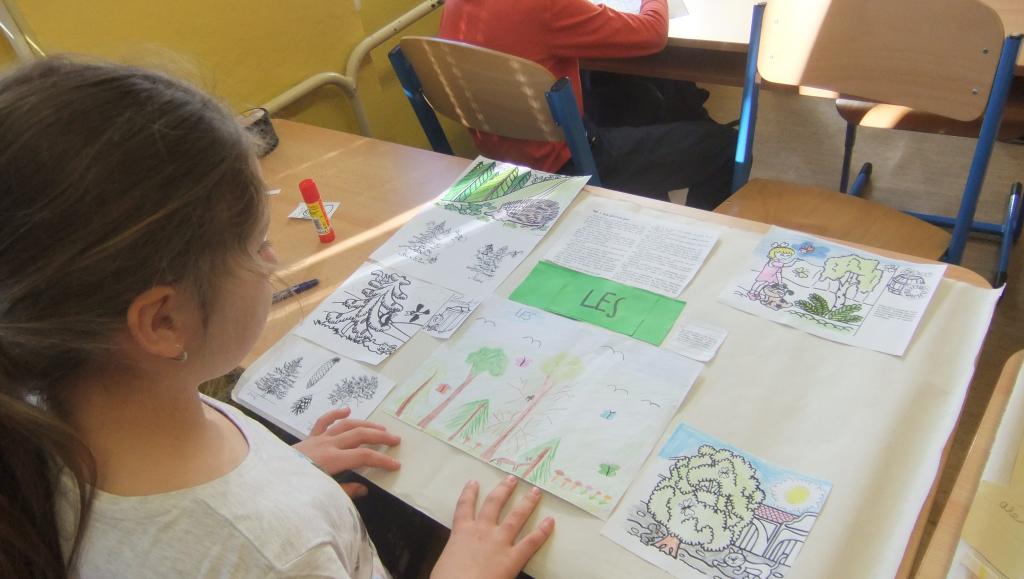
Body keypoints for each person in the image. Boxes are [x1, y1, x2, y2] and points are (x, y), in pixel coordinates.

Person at [0, 57, 553, 578]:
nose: (272, 260)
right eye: (257, 244)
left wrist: (289, 469)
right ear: (164, 323)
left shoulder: (60, 407)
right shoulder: (273, 554)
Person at [438, 0, 737, 210]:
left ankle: (643, 211)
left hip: (500, 153)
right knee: (727, 148)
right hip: (565, 164)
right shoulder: (547, 6)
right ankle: (696, 236)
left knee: (641, 99)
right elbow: (652, 32)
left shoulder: (455, 5)